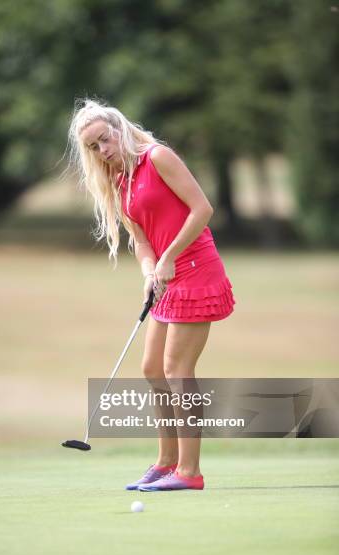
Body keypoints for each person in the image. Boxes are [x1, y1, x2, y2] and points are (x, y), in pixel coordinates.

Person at [68, 98, 235, 491]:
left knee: (178, 371)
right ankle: (165, 462)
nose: (102, 151)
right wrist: (149, 269)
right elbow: (140, 239)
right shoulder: (118, 180)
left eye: (104, 140)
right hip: (166, 278)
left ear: (119, 129)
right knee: (152, 370)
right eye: (93, 147)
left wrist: (170, 257)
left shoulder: (158, 158)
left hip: (195, 271)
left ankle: (190, 473)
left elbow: (202, 209)